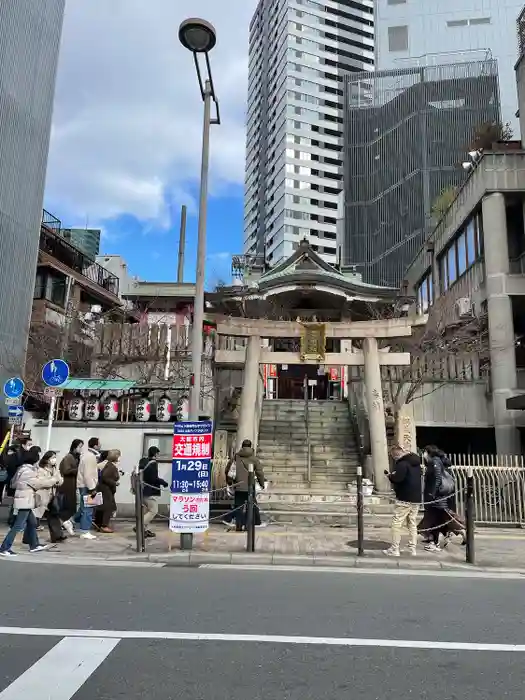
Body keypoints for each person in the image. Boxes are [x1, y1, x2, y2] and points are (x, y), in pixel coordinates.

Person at [0, 449, 58, 556]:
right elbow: (38, 484)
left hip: (25, 500)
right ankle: (4, 548)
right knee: (18, 526)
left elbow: (13, 483)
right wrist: (54, 480)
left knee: (32, 523)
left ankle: (34, 545)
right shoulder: (28, 471)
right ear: (34, 459)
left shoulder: (22, 469)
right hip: (25, 501)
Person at [383, 445, 423, 558]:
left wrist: (389, 476)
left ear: (395, 455)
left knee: (397, 523)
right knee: (412, 523)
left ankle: (395, 549)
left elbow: (398, 479)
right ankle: (412, 548)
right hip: (416, 498)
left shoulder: (402, 464)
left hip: (404, 498)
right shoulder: (416, 463)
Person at [419, 445, 455, 552]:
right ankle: (439, 539)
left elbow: (437, 478)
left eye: (424, 452)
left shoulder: (435, 462)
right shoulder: (436, 461)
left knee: (437, 520)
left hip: (437, 497)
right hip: (438, 497)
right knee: (439, 519)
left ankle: (436, 543)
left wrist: (433, 494)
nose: (423, 455)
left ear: (428, 452)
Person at [224, 439, 266, 531]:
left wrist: (229, 483)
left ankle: (238, 525)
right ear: (250, 447)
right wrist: (262, 484)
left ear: (242, 446)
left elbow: (228, 470)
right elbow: (259, 473)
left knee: (238, 506)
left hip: (238, 486)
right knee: (250, 506)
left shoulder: (236, 457)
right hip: (250, 487)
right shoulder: (254, 459)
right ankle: (248, 526)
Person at [33, 451, 65, 544]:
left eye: (55, 457)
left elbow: (60, 480)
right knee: (35, 518)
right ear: (47, 459)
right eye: (52, 457)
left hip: (52, 496)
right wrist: (54, 480)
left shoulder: (55, 469)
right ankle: (29, 537)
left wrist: (58, 481)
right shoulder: (40, 469)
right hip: (42, 496)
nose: (54, 459)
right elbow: (43, 482)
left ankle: (57, 536)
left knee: (54, 515)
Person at [139, 446, 168, 538]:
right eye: (158, 453)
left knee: (146, 511)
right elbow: (153, 478)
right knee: (153, 510)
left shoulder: (144, 461)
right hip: (149, 491)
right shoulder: (153, 463)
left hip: (142, 489)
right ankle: (139, 527)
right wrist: (163, 482)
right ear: (155, 454)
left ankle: (144, 530)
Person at [76, 437, 101, 540]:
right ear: (95, 445)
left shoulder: (87, 455)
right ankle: (85, 531)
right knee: (88, 509)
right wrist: (92, 488)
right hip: (88, 486)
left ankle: (72, 522)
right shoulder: (91, 457)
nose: (100, 445)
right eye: (99, 444)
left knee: (83, 508)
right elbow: (88, 474)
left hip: (84, 485)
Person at [58, 439, 84, 535]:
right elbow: (66, 470)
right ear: (75, 447)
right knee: (69, 505)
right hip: (67, 484)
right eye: (80, 447)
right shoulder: (69, 457)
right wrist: (79, 469)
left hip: (73, 484)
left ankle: (65, 521)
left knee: (73, 505)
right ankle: (63, 522)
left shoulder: (76, 457)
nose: (81, 449)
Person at [94, 449, 121, 533]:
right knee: (108, 507)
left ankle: (98, 523)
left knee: (101, 506)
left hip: (103, 488)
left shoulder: (109, 465)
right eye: (119, 455)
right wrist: (114, 483)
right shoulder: (110, 466)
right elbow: (105, 477)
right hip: (106, 489)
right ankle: (104, 525)